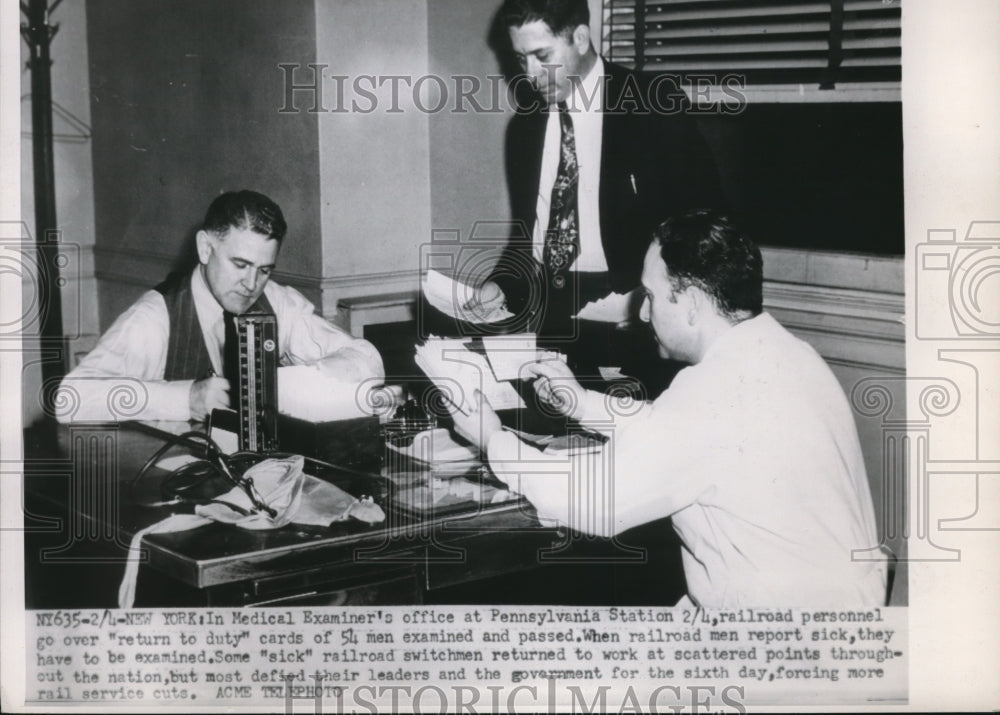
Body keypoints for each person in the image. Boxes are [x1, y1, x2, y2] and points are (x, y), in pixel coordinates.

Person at [452, 210, 887, 608]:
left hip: (783, 651)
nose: (642, 313)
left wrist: (492, 437)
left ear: (693, 304)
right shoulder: (786, 354)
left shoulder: (712, 390)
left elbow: (596, 502)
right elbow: (680, 432)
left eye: (651, 297)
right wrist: (582, 403)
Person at [466, 0, 725, 382]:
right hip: (545, 324)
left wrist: (655, 304)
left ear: (581, 38)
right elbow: (528, 238)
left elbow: (707, 228)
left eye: (543, 56)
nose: (529, 75)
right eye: (520, 58)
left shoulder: (652, 108)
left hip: (634, 324)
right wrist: (499, 285)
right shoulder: (525, 128)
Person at [57, 190, 384, 423]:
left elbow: (366, 357)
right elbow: (70, 399)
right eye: (240, 264)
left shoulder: (276, 300)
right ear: (204, 248)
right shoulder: (155, 317)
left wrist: (304, 379)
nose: (251, 284)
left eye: (264, 269)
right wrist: (186, 398)